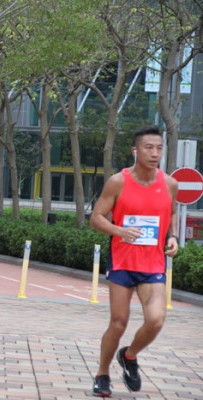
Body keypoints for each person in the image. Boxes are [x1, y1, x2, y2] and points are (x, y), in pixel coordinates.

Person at [89, 125, 178, 397]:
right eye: (148, 148)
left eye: (159, 148)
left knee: (156, 320)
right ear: (135, 150)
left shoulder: (170, 184)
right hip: (123, 263)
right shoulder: (119, 181)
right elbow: (96, 218)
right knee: (119, 323)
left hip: (153, 265)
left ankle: (129, 356)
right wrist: (119, 231)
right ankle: (102, 374)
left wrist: (172, 237)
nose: (154, 153)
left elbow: (171, 213)